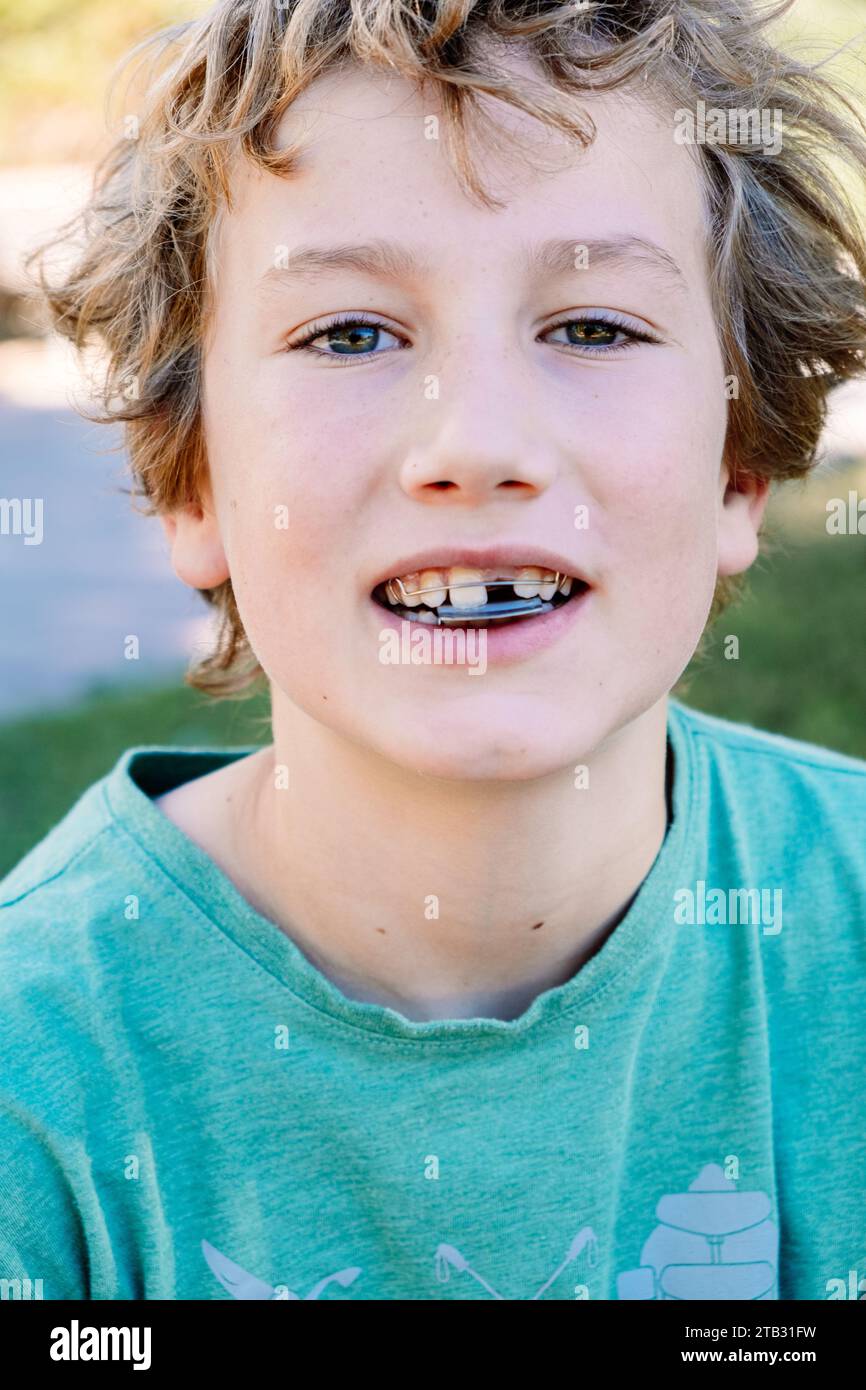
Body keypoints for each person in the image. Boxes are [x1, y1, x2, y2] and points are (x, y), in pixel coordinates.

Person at [2, 0, 865, 1301]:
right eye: (349, 333)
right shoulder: (38, 1078)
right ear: (192, 488)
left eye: (591, 327)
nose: (474, 442)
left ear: (739, 469)